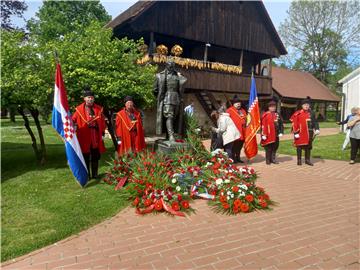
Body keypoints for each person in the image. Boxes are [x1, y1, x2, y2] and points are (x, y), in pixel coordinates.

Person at [72, 87, 106, 179]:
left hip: (95, 135)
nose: (90, 99)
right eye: (88, 97)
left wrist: (102, 133)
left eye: (91, 97)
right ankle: (87, 175)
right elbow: (73, 120)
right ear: (84, 99)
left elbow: (102, 122)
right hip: (84, 136)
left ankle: (95, 174)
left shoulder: (99, 109)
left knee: (95, 155)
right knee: (85, 156)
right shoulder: (79, 110)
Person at [154, 59, 187, 141]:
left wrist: (180, 75)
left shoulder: (178, 76)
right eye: (170, 65)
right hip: (166, 99)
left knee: (175, 117)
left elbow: (184, 81)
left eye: (173, 65)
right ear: (166, 66)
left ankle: (169, 136)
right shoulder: (159, 76)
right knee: (169, 116)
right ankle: (171, 135)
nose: (172, 66)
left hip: (176, 99)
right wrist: (160, 98)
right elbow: (155, 90)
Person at [290, 96, 320, 166]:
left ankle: (307, 160)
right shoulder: (298, 113)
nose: (306, 106)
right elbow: (294, 123)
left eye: (307, 105)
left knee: (308, 146)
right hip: (300, 132)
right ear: (302, 106)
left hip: (309, 132)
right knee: (299, 146)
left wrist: (317, 129)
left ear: (309, 105)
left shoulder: (312, 113)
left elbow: (315, 122)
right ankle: (299, 160)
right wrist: (296, 133)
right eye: (305, 105)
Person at [261, 99, 284, 165]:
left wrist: (281, 132)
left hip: (276, 134)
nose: (273, 108)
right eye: (271, 107)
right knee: (268, 148)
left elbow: (281, 124)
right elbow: (263, 125)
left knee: (275, 146)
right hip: (268, 134)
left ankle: (273, 159)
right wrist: (263, 134)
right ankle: (268, 160)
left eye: (274, 106)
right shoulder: (265, 115)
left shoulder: (277, 114)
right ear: (268, 107)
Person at [226, 96, 247, 163]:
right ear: (233, 104)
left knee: (239, 146)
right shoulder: (229, 110)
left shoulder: (243, 111)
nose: (238, 104)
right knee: (234, 146)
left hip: (243, 131)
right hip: (234, 132)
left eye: (239, 103)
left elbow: (246, 119)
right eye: (236, 103)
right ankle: (233, 158)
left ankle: (238, 157)